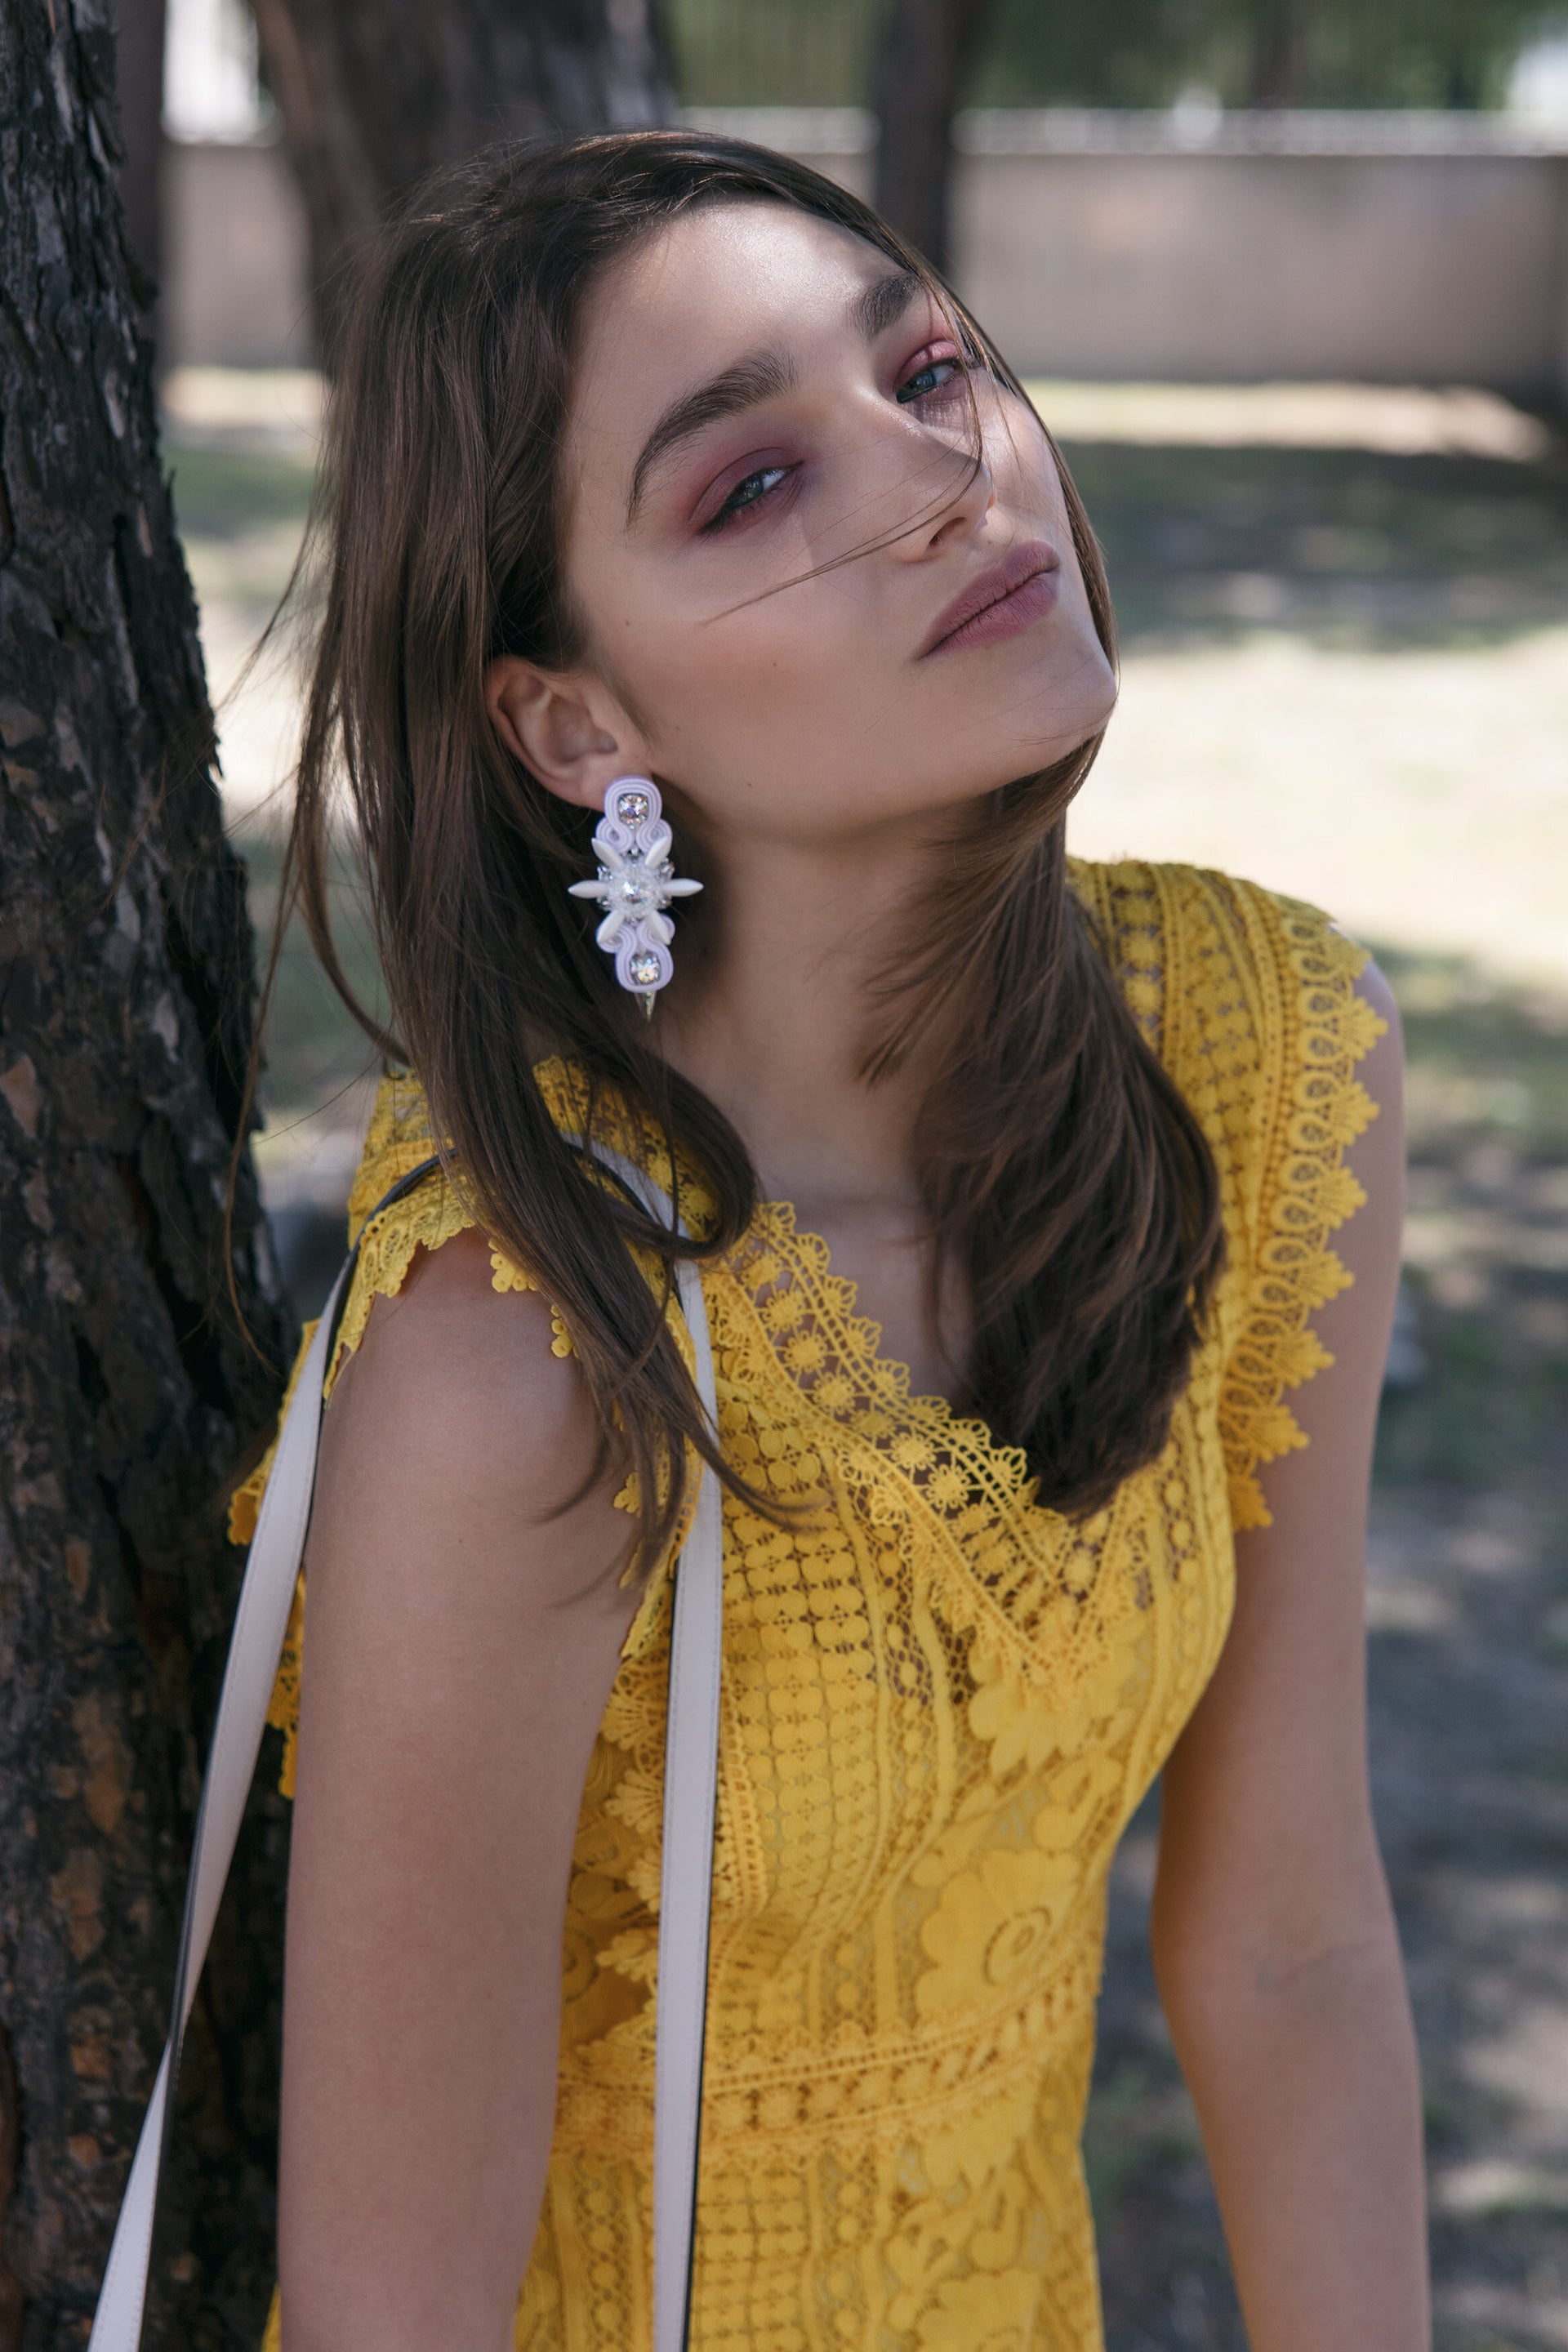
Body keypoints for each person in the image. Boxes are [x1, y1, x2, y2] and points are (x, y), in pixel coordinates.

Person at [233, 130, 1428, 2352]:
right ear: (578, 724)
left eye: (933, 368)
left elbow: (1288, 1935)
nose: (934, 475)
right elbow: (393, 2299)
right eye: (750, 487)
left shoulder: (1266, 1064)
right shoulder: (526, 1353)